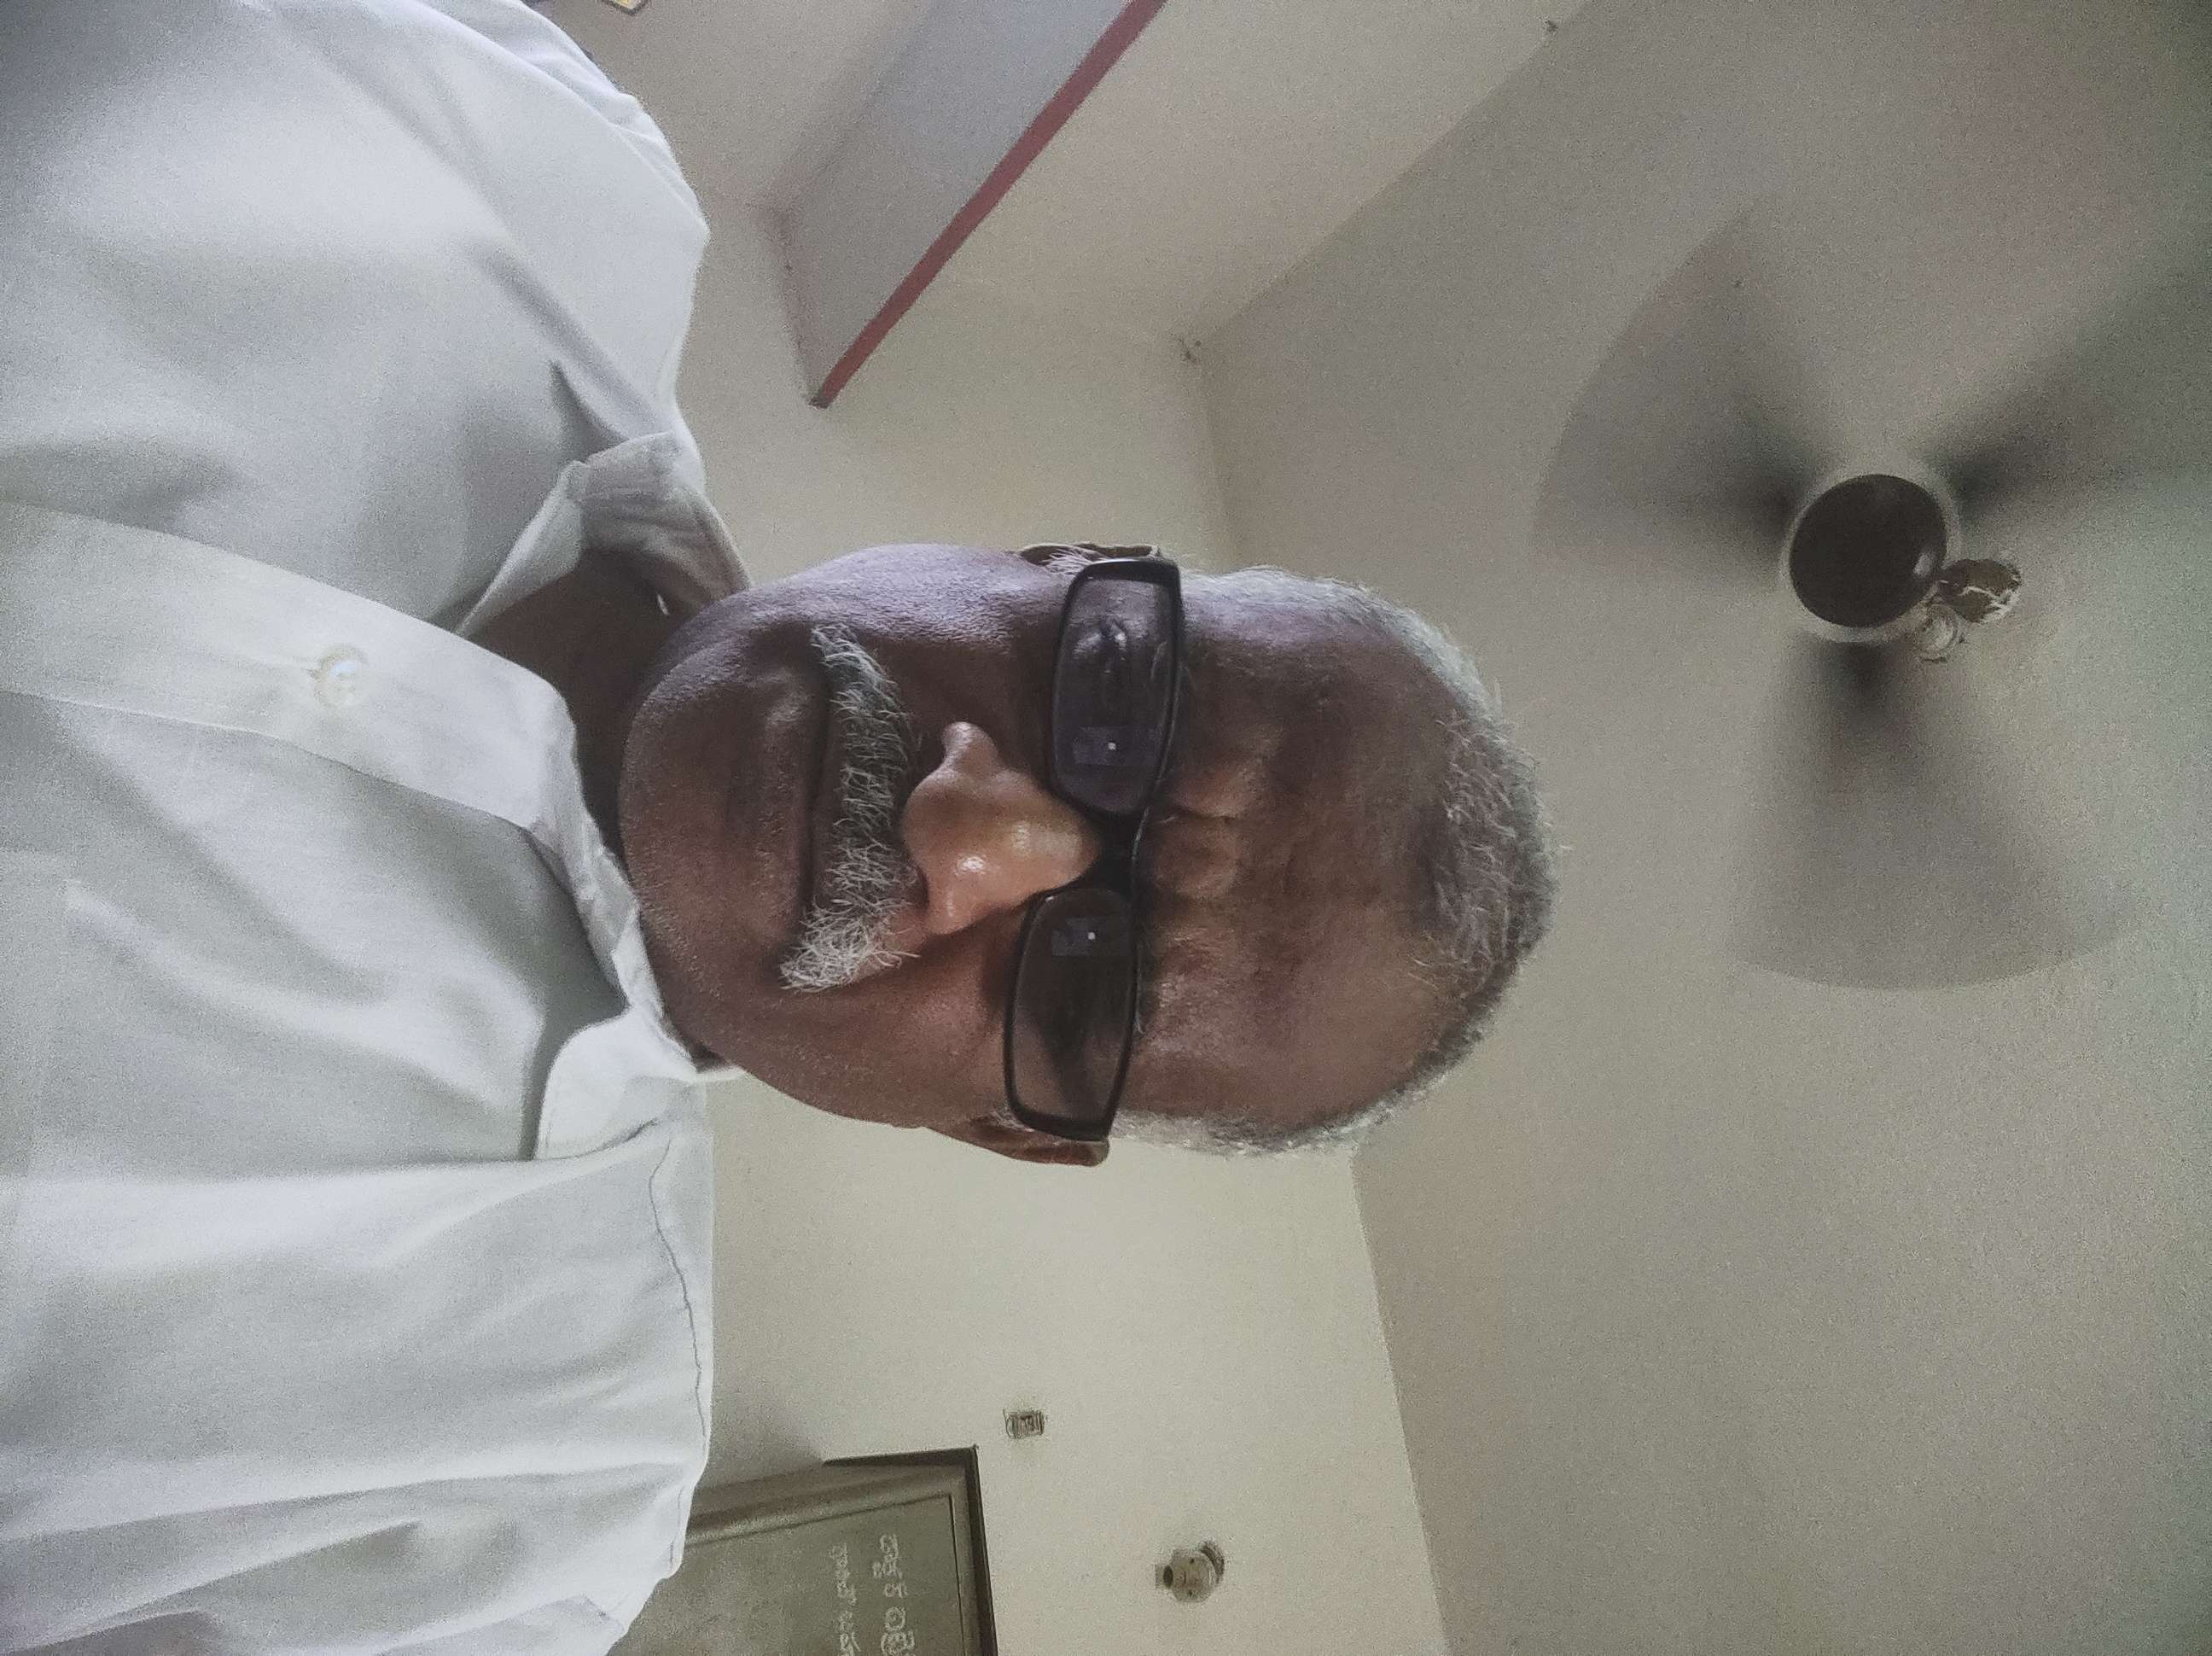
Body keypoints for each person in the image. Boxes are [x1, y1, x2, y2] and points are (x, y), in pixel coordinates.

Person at [0, 0, 1554, 1648]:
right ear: (1050, 561)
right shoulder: (532, 158)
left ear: (1002, 1129)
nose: (966, 829)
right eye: (1113, 696)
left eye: (1087, 980)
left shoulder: (492, 1507)